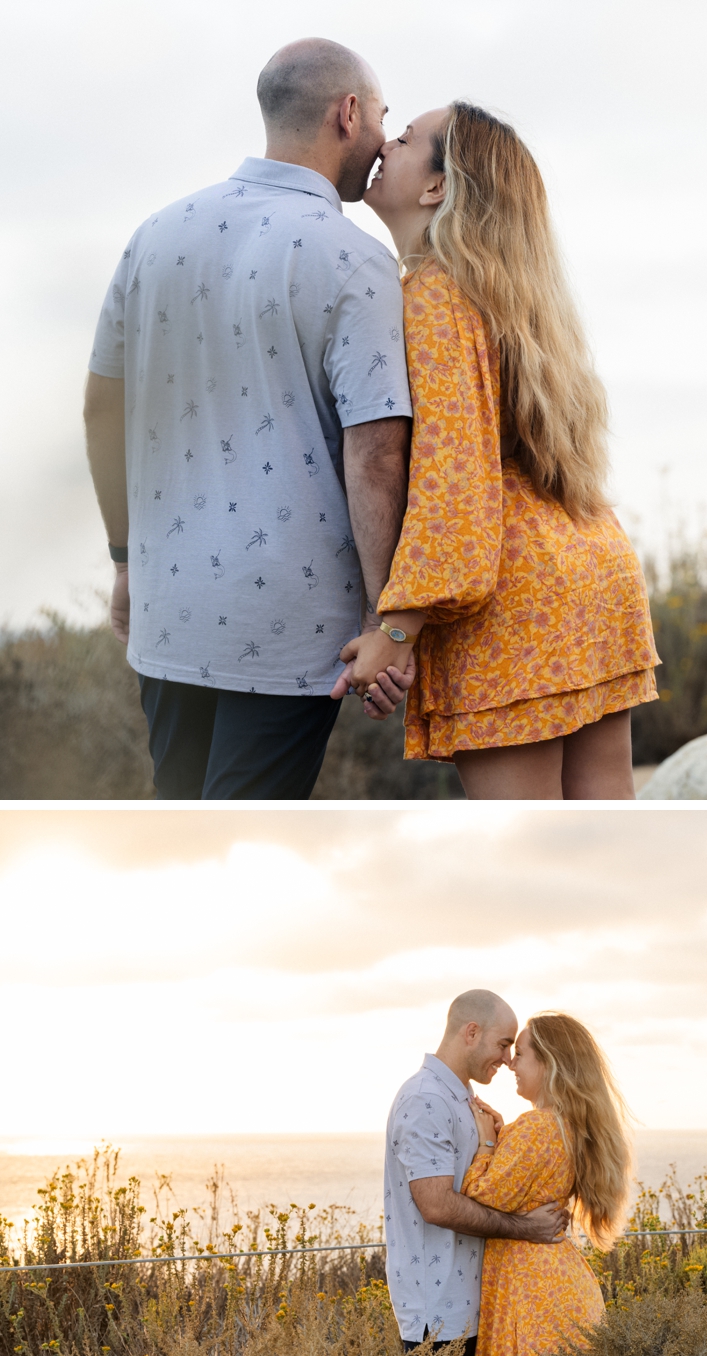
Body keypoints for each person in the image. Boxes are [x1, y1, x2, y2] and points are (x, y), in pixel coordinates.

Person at [83, 38, 414, 799]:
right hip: (291, 628)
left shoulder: (156, 234)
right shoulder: (353, 259)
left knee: (180, 827)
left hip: (171, 606)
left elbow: (103, 408)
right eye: (382, 119)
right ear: (349, 113)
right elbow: (375, 456)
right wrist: (384, 618)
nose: (381, 141)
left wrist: (125, 559)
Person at [335, 102, 661, 800]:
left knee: (528, 860)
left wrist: (395, 632)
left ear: (436, 187)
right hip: (593, 574)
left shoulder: (432, 297)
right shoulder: (511, 296)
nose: (385, 145)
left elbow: (453, 481)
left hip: (513, 605)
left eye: (405, 138)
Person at [383, 990, 570, 1356]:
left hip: (473, 1308)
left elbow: (480, 1186)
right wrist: (526, 1228)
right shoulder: (425, 1100)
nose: (507, 1058)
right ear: (471, 1032)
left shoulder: (461, 1098)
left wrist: (499, 1143)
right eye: (503, 1044)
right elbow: (436, 1205)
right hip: (438, 1316)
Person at [462, 1013, 631, 1356]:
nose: (510, 1063)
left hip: (530, 1302)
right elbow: (526, 1182)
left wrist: (488, 1144)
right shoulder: (565, 1124)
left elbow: (480, 1196)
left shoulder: (537, 1126)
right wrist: (507, 1136)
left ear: (549, 1064)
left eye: (520, 1054)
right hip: (558, 1293)